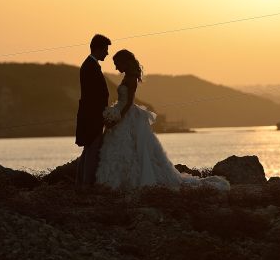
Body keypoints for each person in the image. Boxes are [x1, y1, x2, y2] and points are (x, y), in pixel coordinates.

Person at [95, 49, 229, 191]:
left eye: (117, 63)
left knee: (132, 148)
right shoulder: (128, 76)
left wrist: (117, 117)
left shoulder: (130, 78)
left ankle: (127, 181)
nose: (116, 67)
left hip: (126, 114)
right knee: (125, 148)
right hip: (122, 112)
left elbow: (128, 103)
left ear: (125, 62)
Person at [75, 34, 111, 186]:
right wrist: (101, 114)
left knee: (88, 150)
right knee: (92, 150)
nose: (107, 53)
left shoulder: (90, 65)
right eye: (106, 49)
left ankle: (81, 183)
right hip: (92, 117)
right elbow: (93, 96)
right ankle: (85, 185)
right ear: (98, 48)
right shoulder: (90, 66)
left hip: (92, 115)